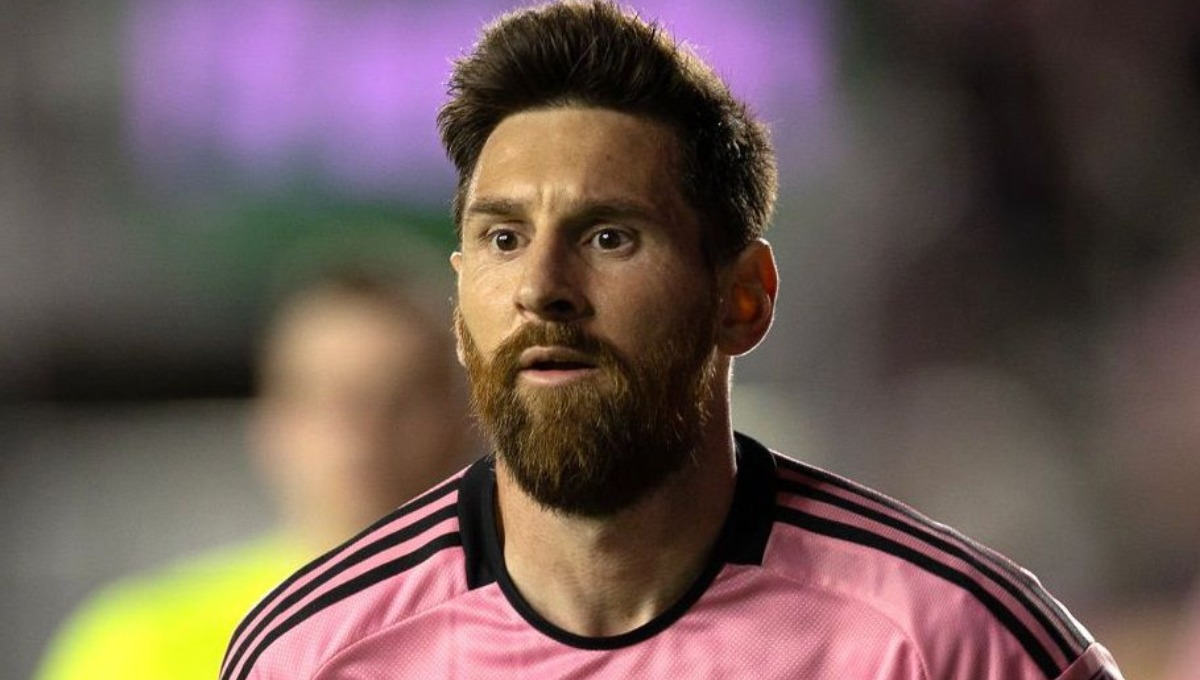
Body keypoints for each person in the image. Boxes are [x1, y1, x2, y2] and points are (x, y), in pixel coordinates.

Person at [219, 2, 1125, 678]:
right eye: (503, 239)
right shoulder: (312, 655)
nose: (542, 288)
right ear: (463, 311)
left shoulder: (955, 642)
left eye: (610, 236)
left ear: (744, 299)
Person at [35, 266, 476, 680]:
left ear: (464, 424)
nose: (361, 430)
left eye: (400, 397)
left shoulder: (520, 638)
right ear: (268, 424)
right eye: (324, 396)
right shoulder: (136, 642)